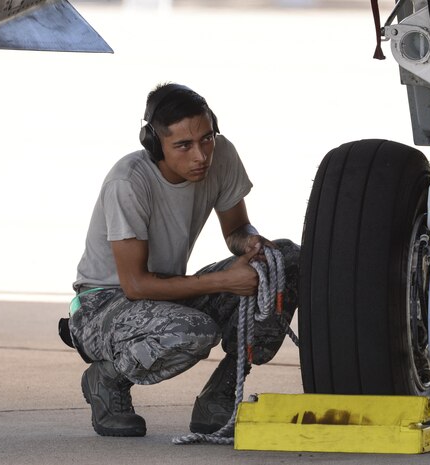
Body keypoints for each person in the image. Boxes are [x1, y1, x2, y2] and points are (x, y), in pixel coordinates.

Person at [63, 83, 299, 437]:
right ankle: (107, 378)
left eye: (207, 139)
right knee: (192, 332)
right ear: (155, 145)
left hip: (166, 293)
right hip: (104, 304)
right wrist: (223, 281)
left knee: (283, 259)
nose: (200, 155)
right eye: (184, 146)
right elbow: (136, 284)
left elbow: (235, 227)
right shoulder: (128, 182)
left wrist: (251, 243)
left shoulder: (221, 156)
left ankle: (220, 396)